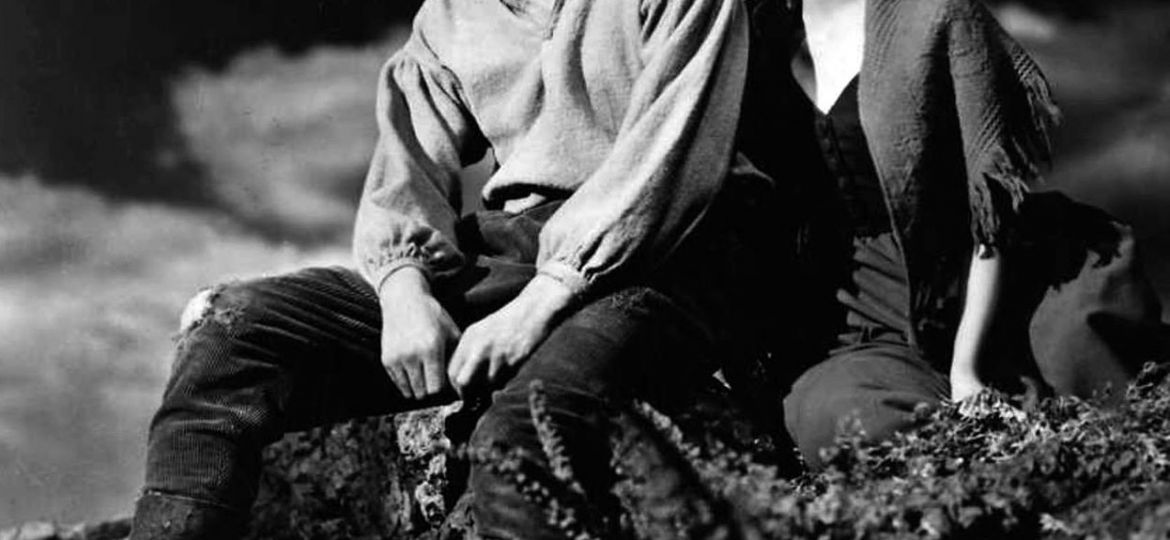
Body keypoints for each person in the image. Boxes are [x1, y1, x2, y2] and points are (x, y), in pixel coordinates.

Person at [126, 0, 789, 538]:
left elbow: (672, 159)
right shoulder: (449, 18)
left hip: (682, 243)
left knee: (522, 432)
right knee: (235, 330)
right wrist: (403, 287)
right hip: (528, 243)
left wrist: (541, 305)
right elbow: (406, 172)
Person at [769, 0, 1168, 468]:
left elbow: (987, 207)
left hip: (1006, 282)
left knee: (1087, 367)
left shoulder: (934, 13)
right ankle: (978, 467)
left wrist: (966, 370)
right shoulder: (753, 37)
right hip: (872, 317)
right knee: (834, 419)